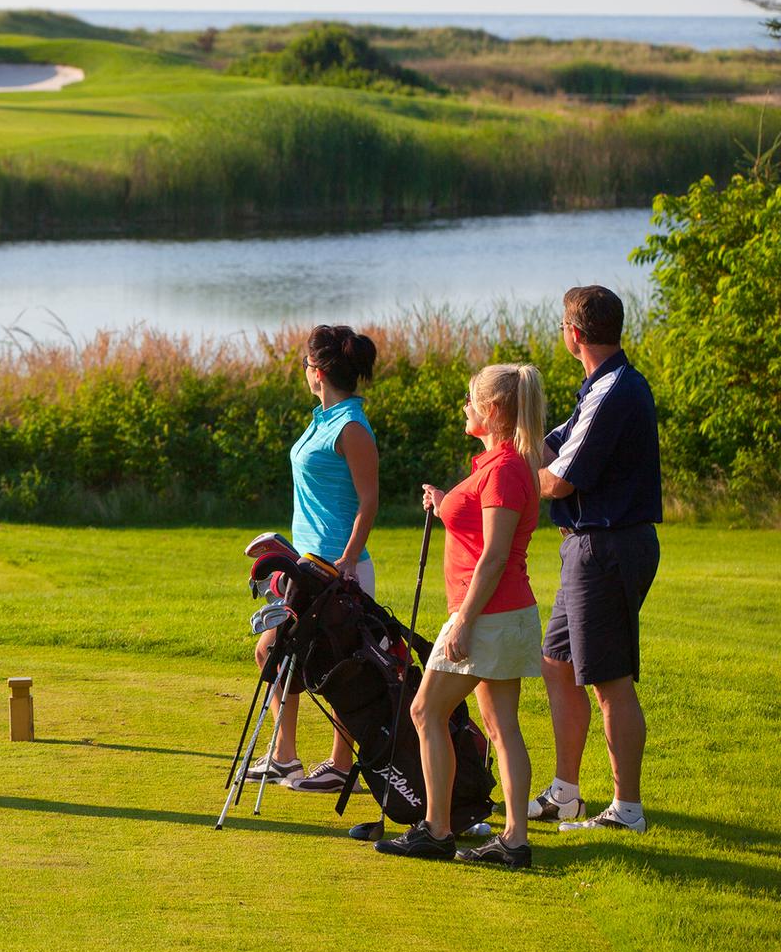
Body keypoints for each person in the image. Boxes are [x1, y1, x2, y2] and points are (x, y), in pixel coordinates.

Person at [375, 363, 547, 866]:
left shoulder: (504, 471)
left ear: (492, 411)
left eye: (471, 400)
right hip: (505, 614)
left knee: (425, 710)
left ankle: (437, 829)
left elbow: (494, 555)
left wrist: (465, 621)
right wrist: (444, 501)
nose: (465, 407)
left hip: (487, 615)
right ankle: (513, 841)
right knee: (501, 727)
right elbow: (478, 523)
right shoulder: (500, 464)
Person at [531, 285, 661, 833]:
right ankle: (565, 792)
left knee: (610, 682)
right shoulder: (598, 387)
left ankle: (626, 809)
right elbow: (550, 445)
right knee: (558, 665)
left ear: (575, 334)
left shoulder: (613, 390)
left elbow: (559, 480)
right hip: (588, 546)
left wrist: (516, 483)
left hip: (605, 546)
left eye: (563, 323)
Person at [245, 324, 380, 794]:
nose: (305, 371)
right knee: (276, 652)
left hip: (341, 568)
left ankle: (337, 764)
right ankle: (285, 757)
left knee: (336, 664)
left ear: (318, 372)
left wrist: (344, 561)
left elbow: (369, 501)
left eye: (306, 365)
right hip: (306, 562)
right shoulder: (321, 418)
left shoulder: (350, 426)